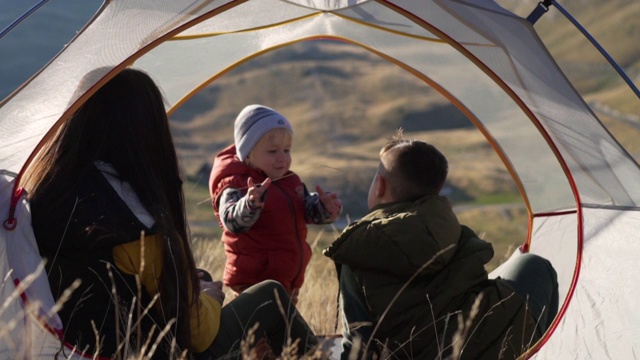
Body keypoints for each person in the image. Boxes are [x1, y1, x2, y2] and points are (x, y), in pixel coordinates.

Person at [24, 68, 318, 359]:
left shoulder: (46, 193)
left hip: (71, 348)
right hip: (154, 351)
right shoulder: (135, 221)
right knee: (271, 295)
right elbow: (198, 335)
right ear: (144, 131)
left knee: (198, 276)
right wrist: (208, 299)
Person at [323, 130, 559, 360]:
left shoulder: (360, 244)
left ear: (380, 186)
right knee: (535, 265)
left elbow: (357, 340)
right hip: (481, 343)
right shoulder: (445, 224)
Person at [209, 104, 342, 304]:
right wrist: (250, 204)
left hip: (287, 279)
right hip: (254, 281)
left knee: (282, 329)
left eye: (286, 150)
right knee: (257, 328)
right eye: (272, 151)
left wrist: (324, 208)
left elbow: (307, 210)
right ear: (248, 154)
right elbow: (231, 221)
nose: (282, 158)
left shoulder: (290, 182)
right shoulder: (236, 184)